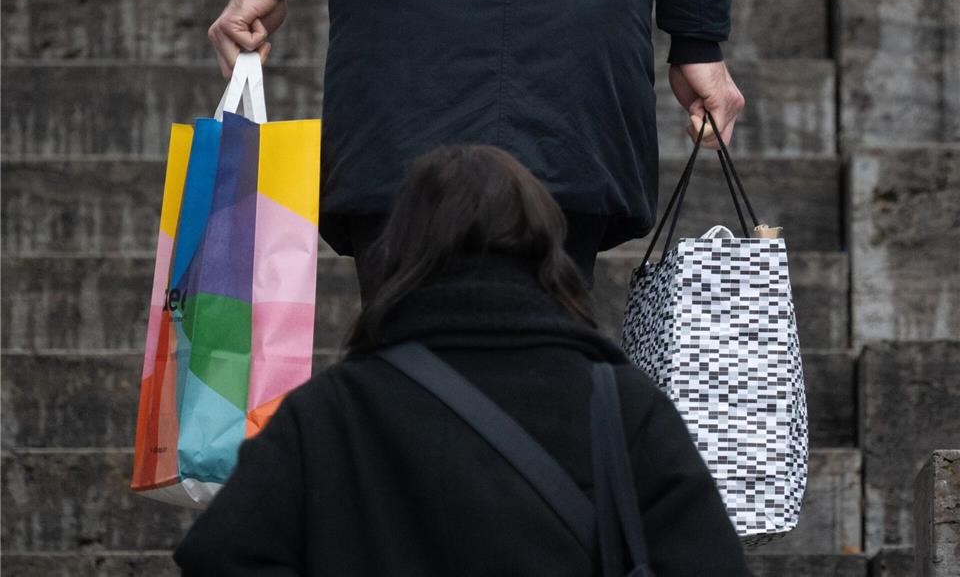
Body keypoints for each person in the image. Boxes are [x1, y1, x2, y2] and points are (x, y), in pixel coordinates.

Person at [174, 144, 748, 576]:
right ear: (547, 247)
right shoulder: (622, 407)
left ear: (400, 250)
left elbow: (218, 555)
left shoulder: (326, 414)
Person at [209, 0, 745, 294]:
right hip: (574, 19)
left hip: (408, 16)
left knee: (403, 358)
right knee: (547, 358)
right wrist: (697, 40)